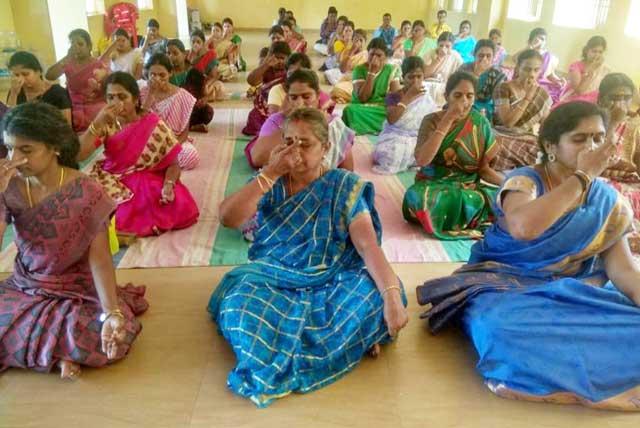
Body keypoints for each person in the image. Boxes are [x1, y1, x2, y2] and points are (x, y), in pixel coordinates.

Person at [416, 101, 640, 411]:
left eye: (598, 139)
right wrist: (582, 178)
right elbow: (523, 227)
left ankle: (569, 374)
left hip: (572, 291)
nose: (591, 147)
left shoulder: (607, 202)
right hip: (506, 286)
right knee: (500, 330)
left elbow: (625, 273)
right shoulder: (524, 182)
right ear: (551, 145)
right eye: (579, 139)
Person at [209, 107, 409, 408]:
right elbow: (227, 218)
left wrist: (391, 298)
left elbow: (367, 246)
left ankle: (351, 337)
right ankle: (351, 342)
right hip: (274, 277)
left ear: (326, 148)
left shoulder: (343, 186)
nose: (295, 152)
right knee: (238, 303)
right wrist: (271, 173)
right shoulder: (271, 180)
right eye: (289, 141)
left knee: (375, 294)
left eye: (305, 144)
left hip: (334, 277)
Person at [0, 102, 148, 378]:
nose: (14, 158)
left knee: (107, 336)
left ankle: (46, 352)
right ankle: (56, 358)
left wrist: (112, 311)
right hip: (26, 287)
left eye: (26, 150)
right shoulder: (9, 187)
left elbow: (100, 260)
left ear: (54, 146)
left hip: (77, 291)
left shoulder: (85, 191)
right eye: (9, 148)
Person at [78, 72, 199, 237]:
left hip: (147, 179)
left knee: (177, 204)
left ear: (135, 99)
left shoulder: (152, 122)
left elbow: (173, 163)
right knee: (96, 210)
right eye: (110, 97)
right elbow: (79, 155)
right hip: (112, 179)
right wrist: (96, 123)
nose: (116, 103)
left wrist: (168, 185)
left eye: (122, 97)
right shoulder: (106, 124)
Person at [403, 71, 503, 239]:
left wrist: (508, 183)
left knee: (504, 196)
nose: (464, 102)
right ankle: (471, 214)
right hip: (433, 185)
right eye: (457, 95)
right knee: (421, 198)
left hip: (468, 187)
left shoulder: (480, 123)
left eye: (469, 96)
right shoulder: (431, 121)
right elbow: (422, 160)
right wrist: (448, 120)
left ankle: (466, 212)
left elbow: (483, 170)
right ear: (446, 96)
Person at [246, 69, 354, 171]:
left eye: (306, 97)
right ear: (287, 98)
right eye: (294, 97)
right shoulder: (278, 120)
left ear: (317, 96)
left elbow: (348, 170)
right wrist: (290, 124)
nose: (299, 103)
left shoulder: (333, 124)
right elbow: (257, 158)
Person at [598, 73, 640, 252]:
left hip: (628, 182)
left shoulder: (634, 127)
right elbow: (592, 158)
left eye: (625, 98)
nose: (620, 104)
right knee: (611, 195)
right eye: (614, 98)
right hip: (597, 177)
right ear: (601, 99)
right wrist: (612, 122)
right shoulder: (590, 120)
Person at [374, 57, 438, 175]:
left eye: (419, 76)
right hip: (395, 137)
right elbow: (392, 120)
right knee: (390, 156)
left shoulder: (426, 97)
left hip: (417, 138)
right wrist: (408, 97)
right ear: (403, 77)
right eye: (411, 77)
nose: (415, 81)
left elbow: (432, 121)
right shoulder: (394, 96)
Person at [491, 49, 552, 171]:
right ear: (518, 68)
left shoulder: (542, 95)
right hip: (501, 134)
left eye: (536, 70)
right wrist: (527, 98)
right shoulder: (503, 88)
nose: (532, 74)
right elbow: (508, 123)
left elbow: (546, 126)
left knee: (543, 151)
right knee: (495, 146)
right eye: (527, 69)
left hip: (525, 139)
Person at [45, 29, 109, 133]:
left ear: (89, 47)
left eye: (80, 44)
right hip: (73, 104)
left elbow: (106, 88)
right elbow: (50, 76)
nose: (76, 47)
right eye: (72, 44)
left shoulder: (98, 65)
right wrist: (67, 57)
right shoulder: (68, 63)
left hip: (95, 102)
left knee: (100, 113)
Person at [343, 38, 401, 135]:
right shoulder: (359, 69)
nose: (374, 58)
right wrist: (371, 73)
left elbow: (395, 98)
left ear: (385, 57)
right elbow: (363, 98)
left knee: (399, 114)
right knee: (349, 111)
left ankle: (378, 126)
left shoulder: (391, 70)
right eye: (372, 54)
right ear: (367, 54)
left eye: (378, 55)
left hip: (380, 109)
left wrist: (391, 109)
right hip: (362, 107)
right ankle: (383, 127)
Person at [6, 51, 72, 124]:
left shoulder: (58, 93)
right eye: (16, 75)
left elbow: (67, 126)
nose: (21, 79)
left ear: (38, 72)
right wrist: (14, 94)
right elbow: (8, 123)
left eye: (25, 74)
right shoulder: (15, 91)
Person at [243, 41, 291, 136]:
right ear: (271, 56)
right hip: (266, 104)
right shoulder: (267, 68)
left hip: (283, 102)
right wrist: (266, 65)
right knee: (253, 117)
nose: (280, 61)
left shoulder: (290, 69)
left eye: (283, 58)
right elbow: (251, 81)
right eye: (277, 58)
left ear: (288, 58)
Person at [267, 53, 333, 115]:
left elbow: (327, 104)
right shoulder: (277, 90)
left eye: (306, 97)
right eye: (294, 97)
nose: (299, 101)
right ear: (286, 73)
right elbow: (274, 118)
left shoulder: (313, 91)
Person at [458, 39, 507, 121]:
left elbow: (498, 101)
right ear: (474, 55)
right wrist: (477, 74)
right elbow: (458, 90)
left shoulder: (498, 74)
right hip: (463, 101)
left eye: (488, 56)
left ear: (493, 57)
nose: (484, 59)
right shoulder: (465, 68)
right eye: (481, 55)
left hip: (484, 108)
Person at [513, 28, 566, 103]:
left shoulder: (549, 57)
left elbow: (550, 74)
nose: (540, 41)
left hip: (538, 84)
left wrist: (557, 80)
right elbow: (514, 59)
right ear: (530, 40)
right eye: (537, 39)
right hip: (522, 82)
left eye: (543, 39)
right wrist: (531, 47)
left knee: (553, 95)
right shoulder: (526, 53)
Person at [558, 36, 610, 106]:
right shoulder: (575, 66)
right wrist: (592, 70)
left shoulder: (604, 69)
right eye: (594, 51)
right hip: (575, 98)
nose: (597, 55)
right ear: (586, 50)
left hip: (594, 98)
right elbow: (579, 91)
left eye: (600, 52)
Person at [326, 29, 369, 103]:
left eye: (361, 40)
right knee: (336, 89)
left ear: (365, 42)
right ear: (352, 41)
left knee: (338, 90)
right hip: (347, 80)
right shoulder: (347, 51)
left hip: (360, 82)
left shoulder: (367, 54)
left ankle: (354, 96)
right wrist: (352, 51)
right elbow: (342, 70)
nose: (358, 43)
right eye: (356, 40)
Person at [422, 31, 463, 106]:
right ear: (437, 44)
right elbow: (425, 74)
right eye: (441, 45)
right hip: (429, 84)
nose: (443, 48)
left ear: (452, 46)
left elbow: (459, 77)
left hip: (446, 86)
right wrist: (439, 58)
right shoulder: (430, 53)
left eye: (447, 46)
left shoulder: (456, 57)